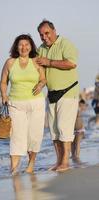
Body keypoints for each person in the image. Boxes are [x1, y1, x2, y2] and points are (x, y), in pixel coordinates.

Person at [0, 34, 46, 174]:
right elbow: (3, 82)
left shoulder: (36, 62)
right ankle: (14, 170)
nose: (24, 47)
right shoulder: (10, 62)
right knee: (16, 138)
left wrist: (41, 85)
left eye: (27, 45)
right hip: (15, 104)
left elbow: (43, 79)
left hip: (36, 103)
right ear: (16, 47)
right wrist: (3, 95)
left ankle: (31, 165)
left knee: (34, 136)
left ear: (31, 47)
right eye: (21, 45)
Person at [36, 20, 79, 172]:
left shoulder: (64, 43)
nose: (44, 37)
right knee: (54, 131)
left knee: (64, 129)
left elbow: (71, 63)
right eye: (41, 35)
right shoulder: (40, 49)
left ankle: (65, 162)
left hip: (68, 92)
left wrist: (49, 62)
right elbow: (36, 66)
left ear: (54, 30)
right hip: (51, 94)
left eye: (47, 33)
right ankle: (58, 161)